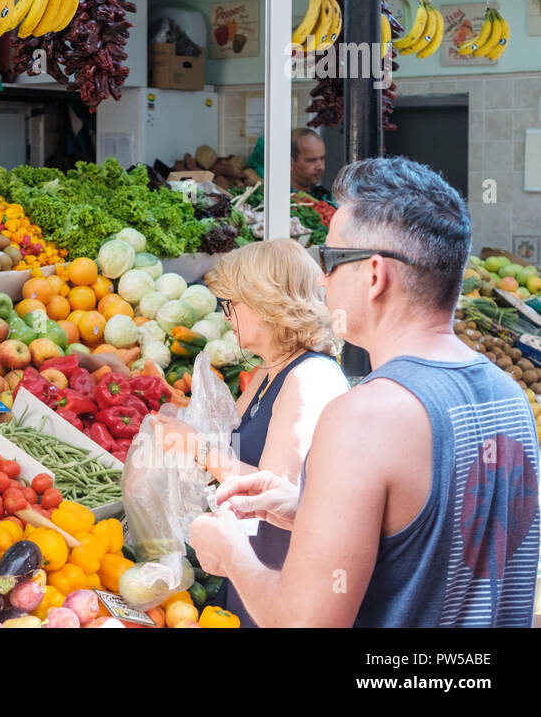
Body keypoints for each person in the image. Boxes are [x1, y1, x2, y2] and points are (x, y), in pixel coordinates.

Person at [189, 157, 541, 627]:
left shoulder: (363, 417)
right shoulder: (509, 397)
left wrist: (231, 554)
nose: (320, 278)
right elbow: (434, 544)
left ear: (375, 276)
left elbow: (304, 623)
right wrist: (307, 510)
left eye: (331, 261)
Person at [158, 238, 348, 628]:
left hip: (279, 583)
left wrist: (198, 450)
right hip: (251, 567)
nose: (227, 316)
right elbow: (231, 446)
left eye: (232, 304)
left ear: (265, 306)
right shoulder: (268, 370)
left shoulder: (309, 378)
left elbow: (279, 492)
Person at [289, 127, 333, 204]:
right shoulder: (280, 198)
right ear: (290, 162)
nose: (320, 167)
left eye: (322, 158)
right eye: (311, 160)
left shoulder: (327, 197)